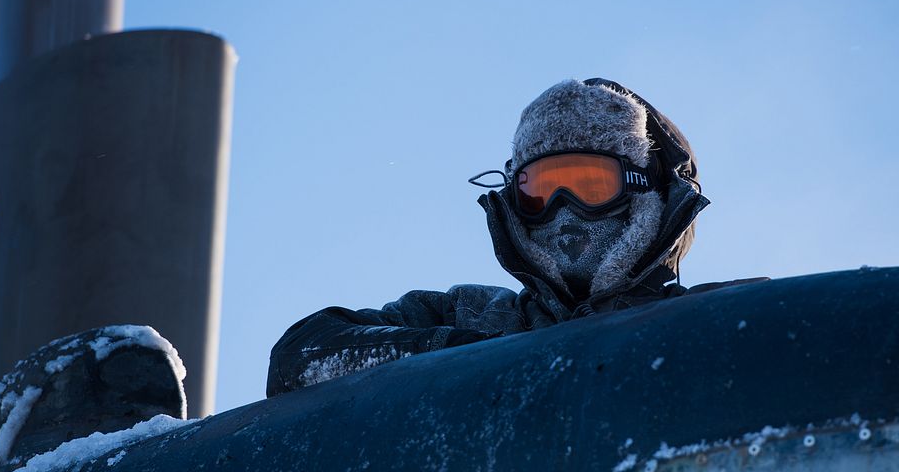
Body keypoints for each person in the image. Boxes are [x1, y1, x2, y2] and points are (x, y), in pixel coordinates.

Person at [266, 77, 762, 397]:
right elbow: (300, 358)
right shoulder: (467, 316)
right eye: (540, 190)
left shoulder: (720, 320)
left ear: (644, 196)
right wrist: (468, 360)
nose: (562, 213)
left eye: (590, 186)